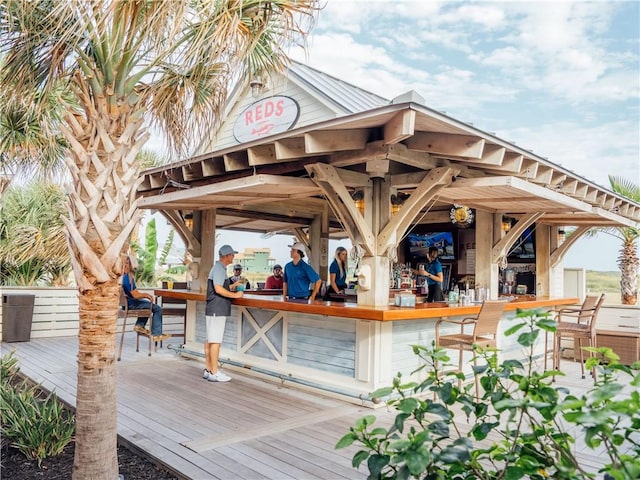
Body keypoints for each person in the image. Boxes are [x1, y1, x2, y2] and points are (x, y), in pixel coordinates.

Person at [203, 245, 244, 382]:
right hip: (217, 308)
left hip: (213, 308)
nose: (233, 257)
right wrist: (236, 295)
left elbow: (220, 286)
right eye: (232, 255)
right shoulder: (220, 269)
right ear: (227, 256)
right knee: (215, 341)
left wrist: (233, 286)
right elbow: (218, 289)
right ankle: (215, 372)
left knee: (210, 339)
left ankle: (209, 369)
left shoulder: (218, 268)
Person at [122, 255, 170, 342]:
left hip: (128, 303)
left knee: (147, 304)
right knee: (157, 308)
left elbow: (135, 292)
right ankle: (156, 334)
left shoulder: (126, 277)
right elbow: (135, 295)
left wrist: (144, 295)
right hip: (131, 304)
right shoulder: (126, 278)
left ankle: (140, 325)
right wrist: (146, 295)